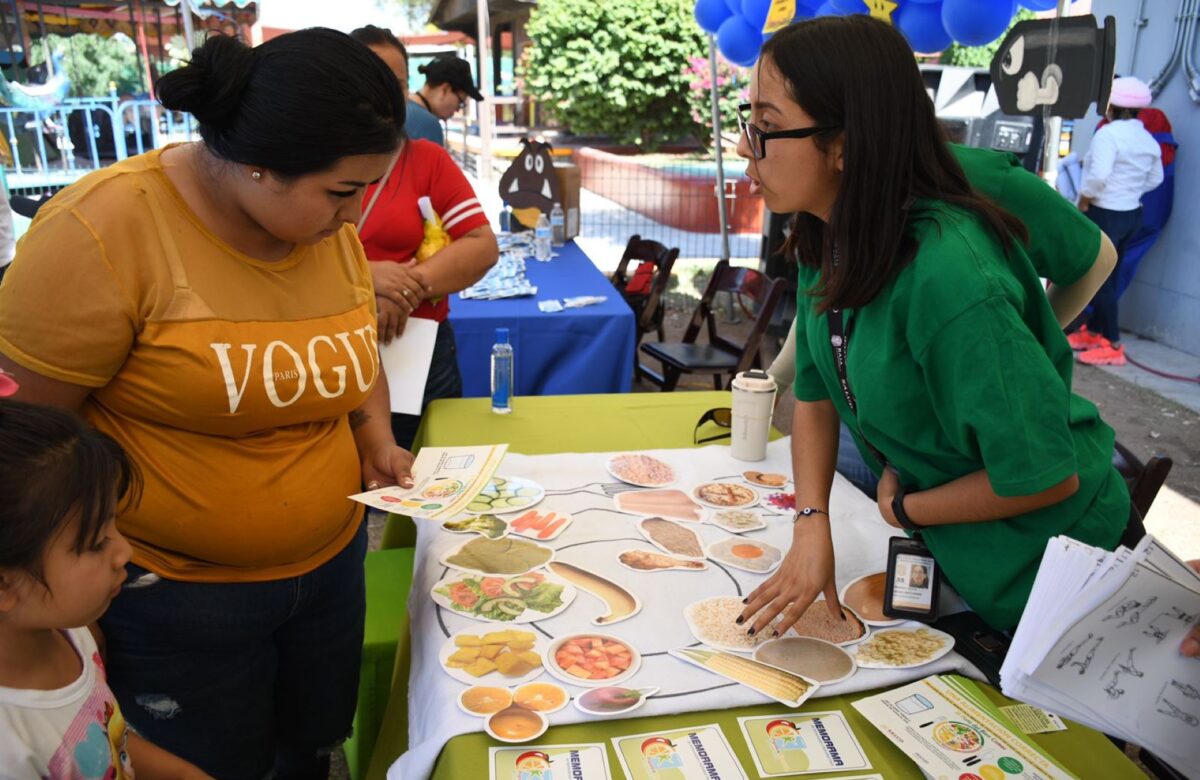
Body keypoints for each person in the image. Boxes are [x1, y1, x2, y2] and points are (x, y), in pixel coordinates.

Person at [0, 30, 415, 779]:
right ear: (259, 165)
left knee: (315, 746)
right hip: (175, 596)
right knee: (211, 766)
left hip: (328, 569)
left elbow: (355, 358)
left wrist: (376, 437)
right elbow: (25, 443)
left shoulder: (326, 233)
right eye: (343, 193)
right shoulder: (103, 230)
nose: (354, 220)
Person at [736, 16, 1130, 635]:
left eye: (767, 128)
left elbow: (1046, 477)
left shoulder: (949, 278)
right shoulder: (829, 232)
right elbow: (813, 392)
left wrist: (905, 503)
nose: (744, 147)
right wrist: (812, 522)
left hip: (1052, 575)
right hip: (956, 551)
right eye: (748, 120)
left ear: (844, 144)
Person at [769, 141, 1120, 499]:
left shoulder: (972, 177)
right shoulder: (828, 196)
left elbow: (1096, 257)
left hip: (975, 459)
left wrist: (1007, 351)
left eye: (772, 127)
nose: (749, 151)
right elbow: (825, 298)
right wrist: (776, 379)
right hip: (874, 424)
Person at [0, 398, 210, 778]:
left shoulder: (68, 631)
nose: (124, 551)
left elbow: (106, 739)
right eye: (96, 542)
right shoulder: (10, 750)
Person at [352, 30, 499, 451]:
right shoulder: (302, 166)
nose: (386, 96)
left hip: (418, 351)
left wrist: (402, 289)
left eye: (396, 84)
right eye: (370, 80)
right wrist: (366, 279)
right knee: (344, 494)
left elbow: (481, 245)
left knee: (429, 482)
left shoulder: (426, 159)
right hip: (332, 349)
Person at [1069, 77, 1163, 367]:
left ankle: (1112, 342)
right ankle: (1096, 332)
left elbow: (1097, 177)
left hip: (1104, 211)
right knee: (1112, 273)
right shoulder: (1147, 138)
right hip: (1131, 213)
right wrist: (1129, 192)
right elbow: (1156, 178)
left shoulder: (1108, 136)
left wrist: (1084, 199)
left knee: (1099, 280)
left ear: (1112, 106)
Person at [349, 25, 446, 146]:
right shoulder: (323, 157)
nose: (387, 98)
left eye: (397, 87)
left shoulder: (433, 160)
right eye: (373, 84)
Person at [414, 54, 485, 125]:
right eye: (460, 103)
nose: (457, 110)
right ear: (445, 90)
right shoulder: (427, 124)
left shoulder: (405, 109)